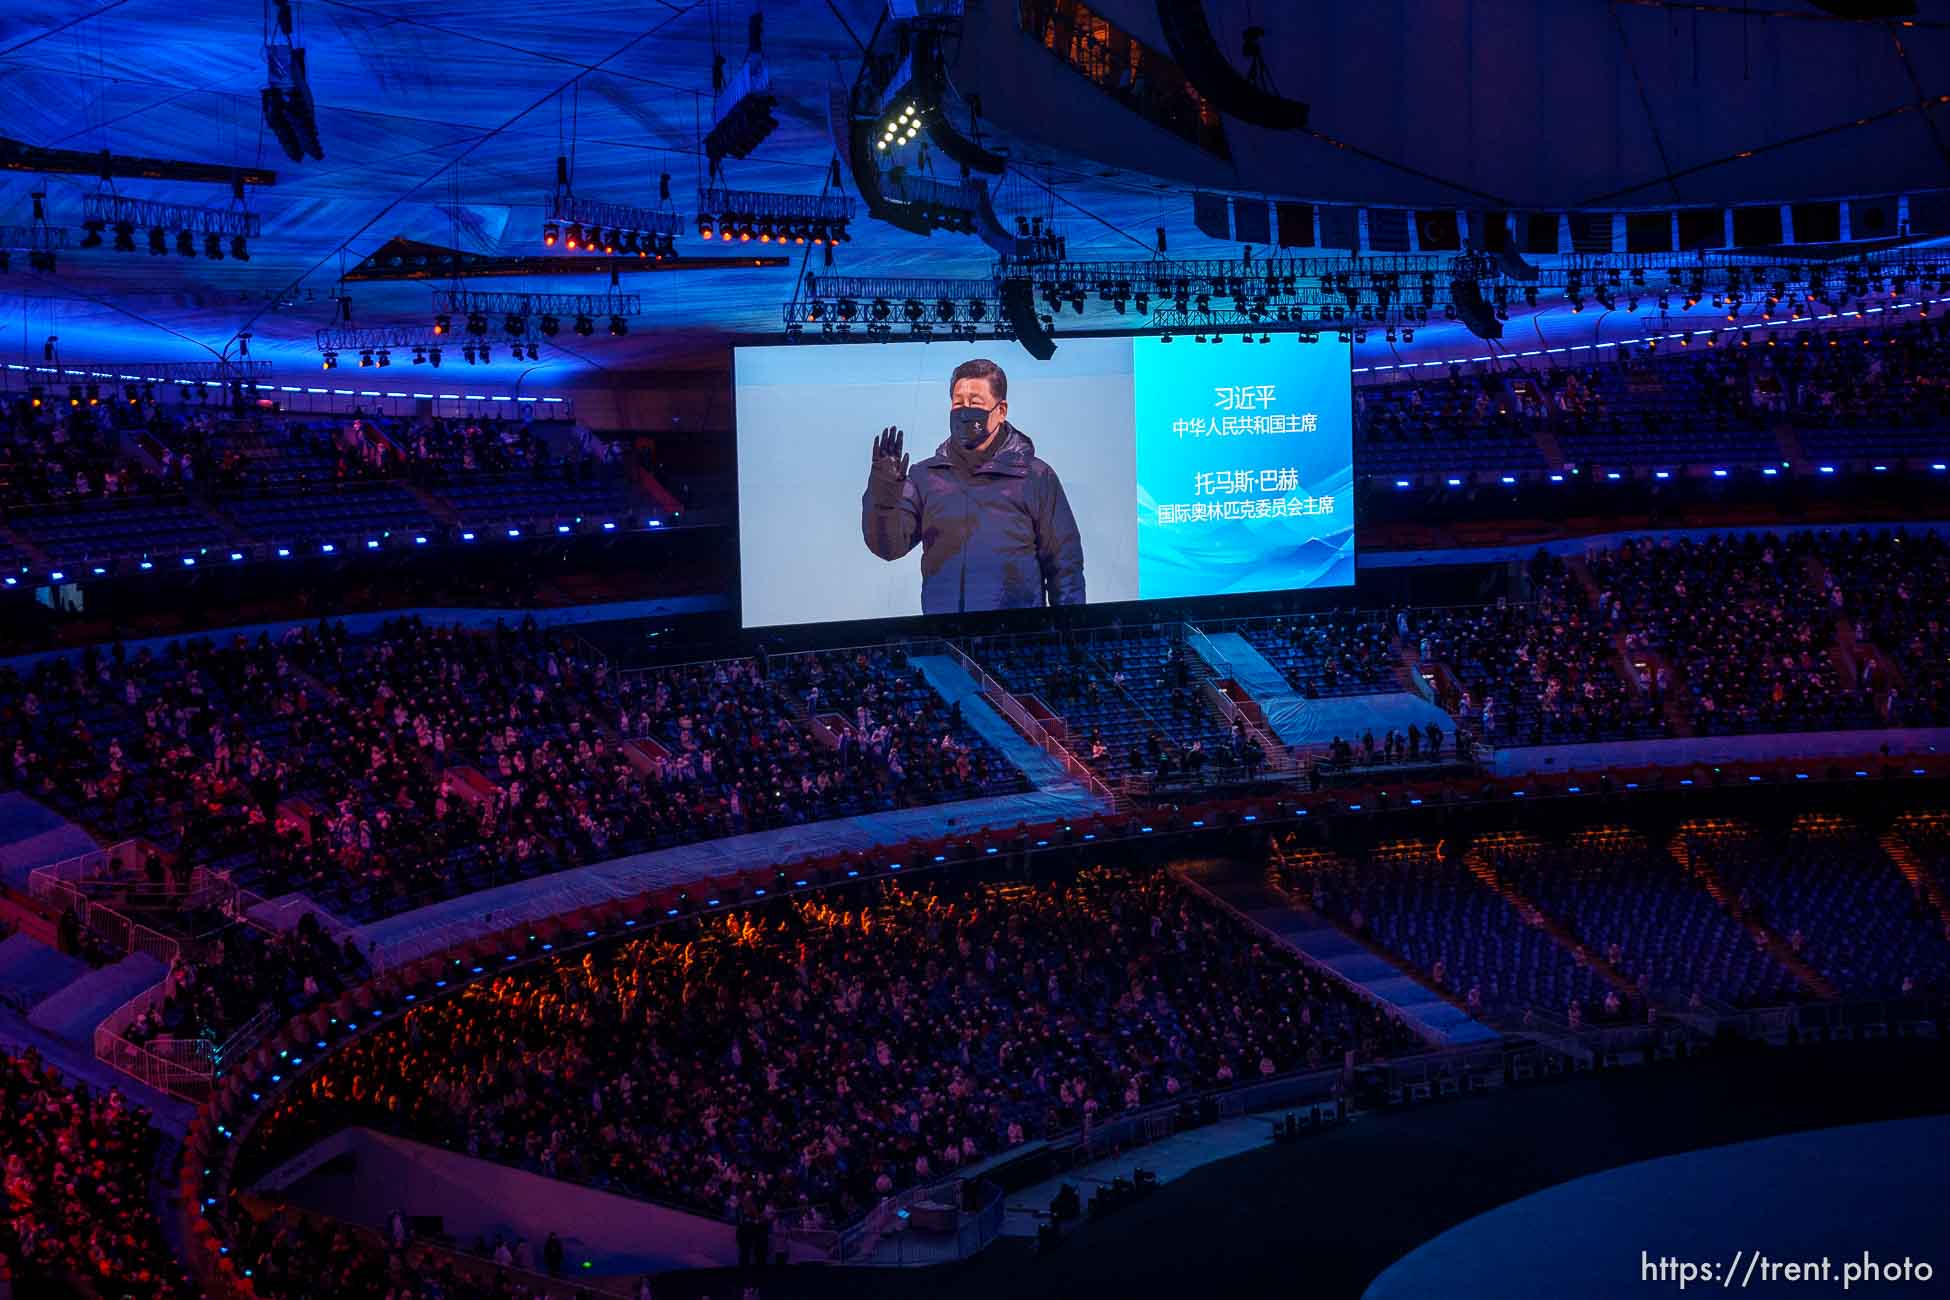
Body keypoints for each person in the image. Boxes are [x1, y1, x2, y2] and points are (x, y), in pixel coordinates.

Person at [862, 358, 1085, 613]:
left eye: (976, 403)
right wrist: (884, 493)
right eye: (959, 403)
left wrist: (1068, 635)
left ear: (1001, 411)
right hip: (945, 638)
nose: (965, 412)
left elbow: (1064, 565)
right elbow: (888, 547)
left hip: (1015, 641)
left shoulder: (1036, 477)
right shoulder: (924, 476)